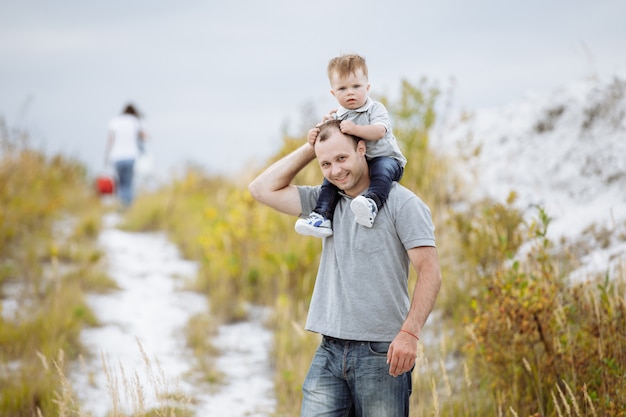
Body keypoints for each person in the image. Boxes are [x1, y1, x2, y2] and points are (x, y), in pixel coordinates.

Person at [249, 119, 442, 417]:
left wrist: (410, 334)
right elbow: (261, 189)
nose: (336, 170)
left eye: (342, 158)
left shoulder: (403, 203)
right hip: (329, 349)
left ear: (361, 149)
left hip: (382, 353)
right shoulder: (323, 204)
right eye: (326, 164)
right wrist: (311, 147)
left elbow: (430, 272)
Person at [295, 54, 407, 238]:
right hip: (358, 164)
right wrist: (314, 133)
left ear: (367, 87)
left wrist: (355, 128)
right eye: (342, 88)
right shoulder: (338, 115)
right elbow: (328, 137)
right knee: (330, 180)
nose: (350, 92)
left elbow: (379, 131)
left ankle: (371, 204)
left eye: (356, 86)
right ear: (333, 93)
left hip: (386, 159)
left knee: (381, 170)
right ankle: (322, 216)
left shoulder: (375, 109)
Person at [104, 103, 146, 208]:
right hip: (130, 156)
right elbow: (143, 136)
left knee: (120, 183)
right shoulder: (135, 121)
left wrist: (106, 157)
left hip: (116, 157)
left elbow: (110, 141)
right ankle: (127, 207)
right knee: (128, 183)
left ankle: (122, 205)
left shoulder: (114, 121)